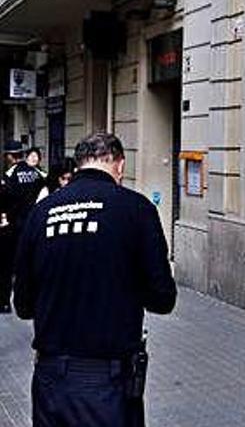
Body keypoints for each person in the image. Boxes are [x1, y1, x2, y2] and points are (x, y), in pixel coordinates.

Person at [13, 132, 177, 426]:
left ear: (78, 166)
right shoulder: (136, 210)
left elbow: (23, 305)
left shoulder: (42, 213)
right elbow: (163, 298)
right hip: (108, 384)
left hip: (51, 381)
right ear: (120, 165)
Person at [0, 140, 45, 313]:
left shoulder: (10, 175)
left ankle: (4, 302)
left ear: (10, 157)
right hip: (35, 225)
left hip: (14, 227)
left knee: (6, 265)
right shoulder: (37, 173)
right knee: (31, 263)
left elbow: (4, 200)